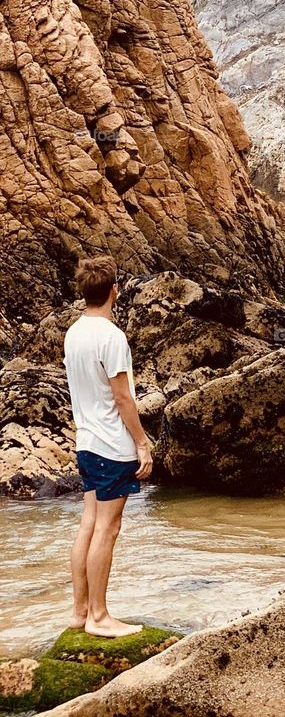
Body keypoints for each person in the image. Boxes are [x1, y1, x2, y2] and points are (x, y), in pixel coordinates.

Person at [63, 256, 153, 638]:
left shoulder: (74, 332)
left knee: (88, 523)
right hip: (111, 445)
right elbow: (122, 399)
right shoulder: (111, 336)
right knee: (108, 528)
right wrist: (143, 443)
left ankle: (80, 611)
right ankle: (99, 616)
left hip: (85, 440)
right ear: (114, 290)